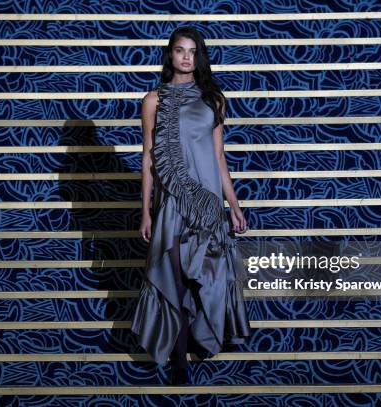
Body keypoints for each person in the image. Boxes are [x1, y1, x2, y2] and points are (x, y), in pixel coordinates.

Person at [130, 26, 251, 385]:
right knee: (175, 278)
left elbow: (218, 156)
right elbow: (148, 158)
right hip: (171, 204)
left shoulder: (213, 99)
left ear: (199, 56)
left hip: (207, 201)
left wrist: (234, 204)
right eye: (180, 50)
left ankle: (205, 337)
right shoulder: (153, 100)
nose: (186, 57)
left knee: (206, 277)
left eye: (192, 51)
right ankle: (179, 359)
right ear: (170, 55)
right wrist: (146, 210)